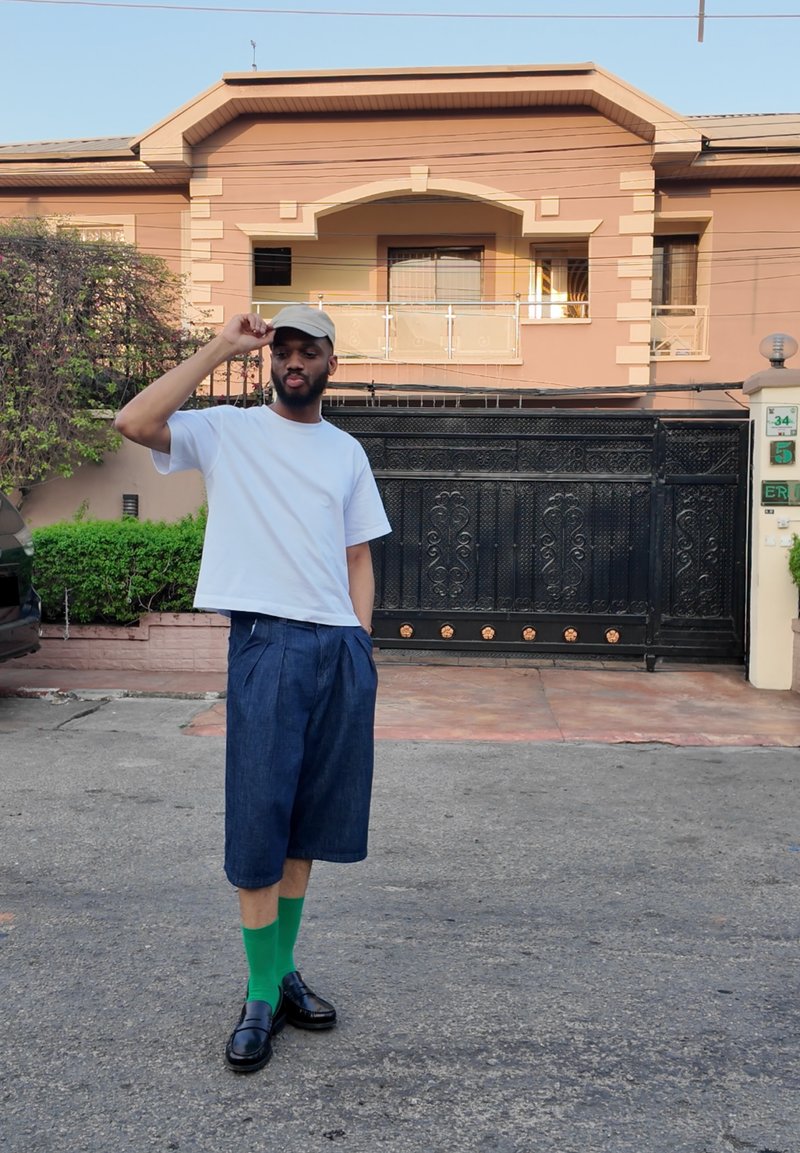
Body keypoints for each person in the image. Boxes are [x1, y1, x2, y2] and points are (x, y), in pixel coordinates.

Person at [114, 305, 391, 1074]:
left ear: (332, 363)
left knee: (308, 824)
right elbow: (135, 422)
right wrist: (220, 346)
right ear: (273, 361)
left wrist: (360, 644)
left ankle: (283, 971)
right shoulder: (228, 430)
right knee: (260, 822)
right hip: (267, 642)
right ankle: (260, 995)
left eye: (310, 351)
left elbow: (359, 555)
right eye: (286, 350)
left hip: (338, 648)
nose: (295, 360)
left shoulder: (346, 452)